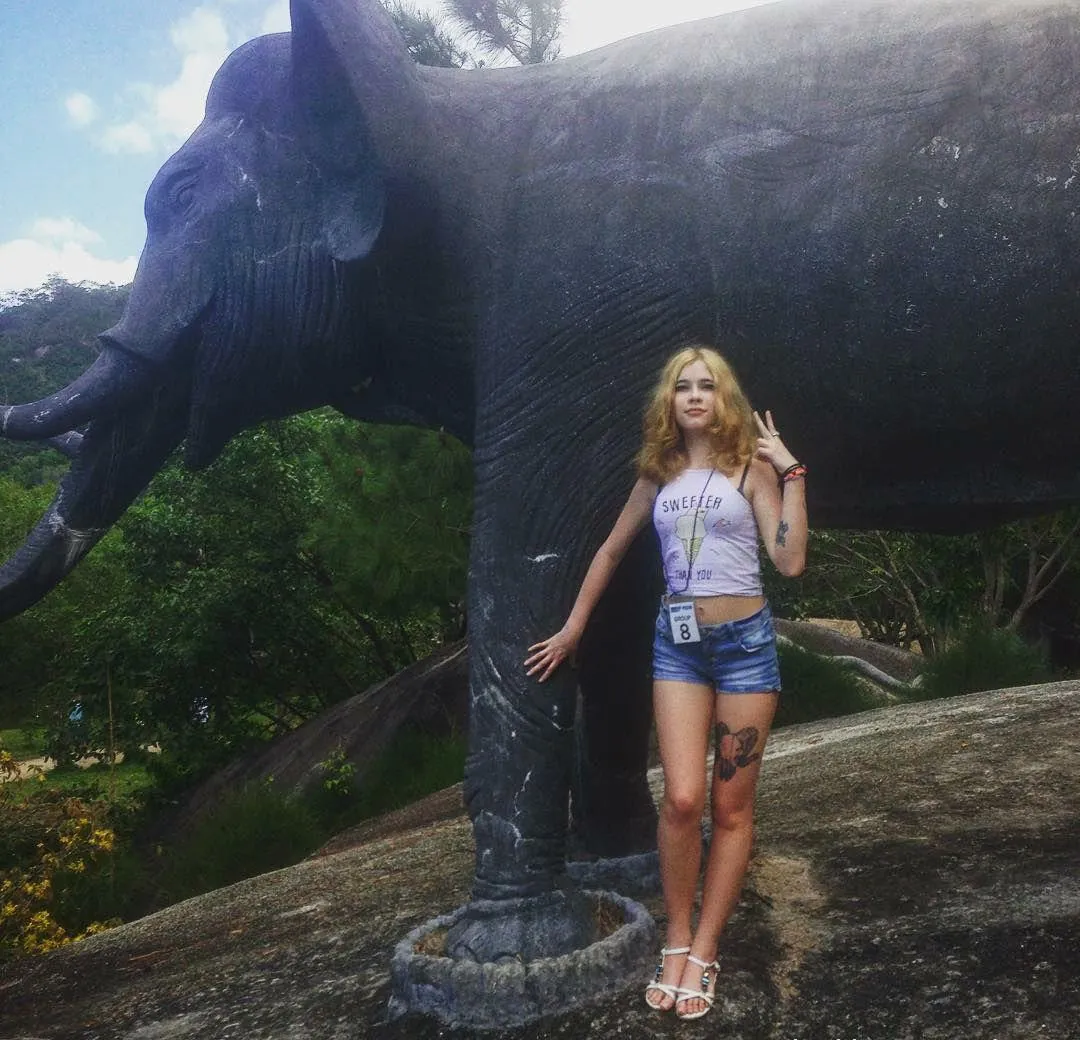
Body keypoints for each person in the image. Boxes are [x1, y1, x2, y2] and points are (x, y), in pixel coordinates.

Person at [524, 344, 807, 1021]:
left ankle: (704, 950)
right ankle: (676, 938)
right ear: (670, 402)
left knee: (730, 808)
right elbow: (610, 550)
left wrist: (791, 471)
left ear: (724, 397)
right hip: (677, 647)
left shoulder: (750, 469)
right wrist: (573, 628)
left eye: (707, 385)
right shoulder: (657, 474)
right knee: (681, 800)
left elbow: (790, 560)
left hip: (744, 648)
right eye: (684, 387)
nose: (695, 396)